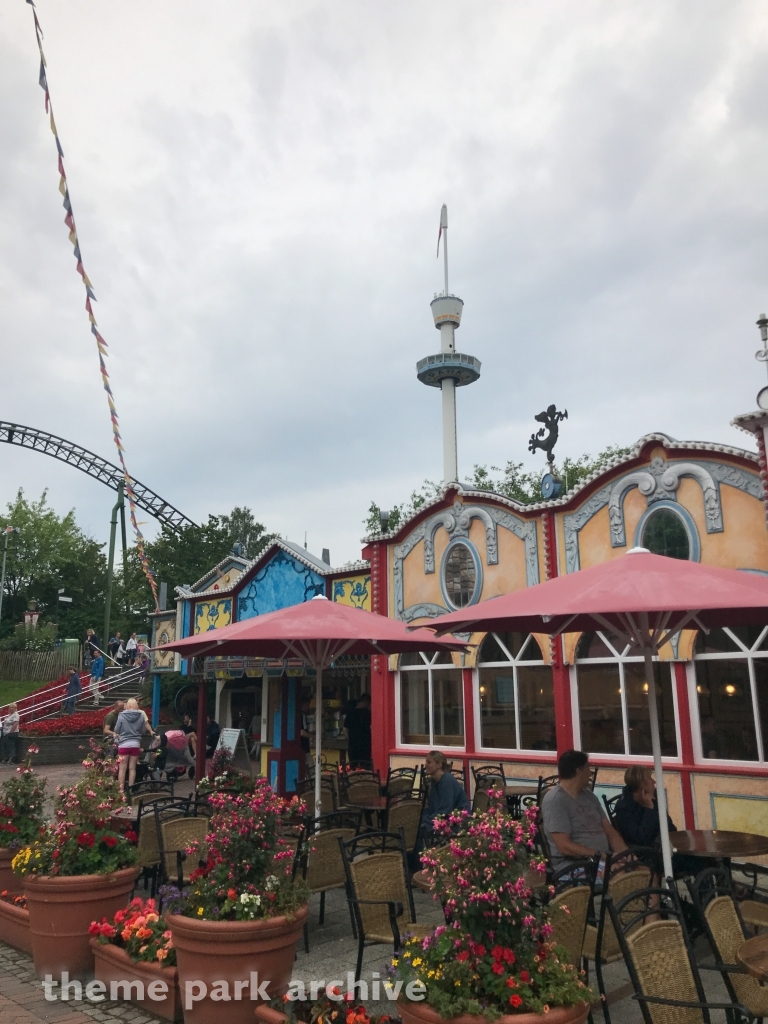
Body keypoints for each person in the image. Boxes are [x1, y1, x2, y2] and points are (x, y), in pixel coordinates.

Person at [542, 749, 627, 873]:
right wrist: (602, 855)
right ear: (578, 771)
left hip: (602, 859)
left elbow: (609, 831)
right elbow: (563, 846)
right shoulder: (555, 800)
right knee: (619, 874)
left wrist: (626, 855)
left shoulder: (590, 797)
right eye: (588, 768)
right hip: (574, 864)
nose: (590, 773)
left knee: (645, 871)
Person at [420, 750, 471, 837]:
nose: (426, 765)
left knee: (420, 828)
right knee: (416, 823)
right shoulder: (434, 781)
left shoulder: (447, 780)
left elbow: (445, 811)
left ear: (439, 764)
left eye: (429, 762)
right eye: (426, 762)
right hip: (443, 818)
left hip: (457, 822)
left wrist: (425, 819)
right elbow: (433, 807)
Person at [114, 697, 153, 790]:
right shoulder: (140, 715)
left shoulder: (121, 715)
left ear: (127, 705)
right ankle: (131, 789)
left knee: (122, 768)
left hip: (123, 744)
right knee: (132, 768)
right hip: (135, 744)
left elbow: (116, 730)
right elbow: (143, 730)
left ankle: (121, 790)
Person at [344, 693, 372, 768]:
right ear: (366, 702)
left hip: (353, 745)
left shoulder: (350, 713)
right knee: (365, 767)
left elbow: (345, 729)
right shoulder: (368, 714)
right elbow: (372, 728)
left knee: (353, 767)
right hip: (365, 744)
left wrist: (349, 738)